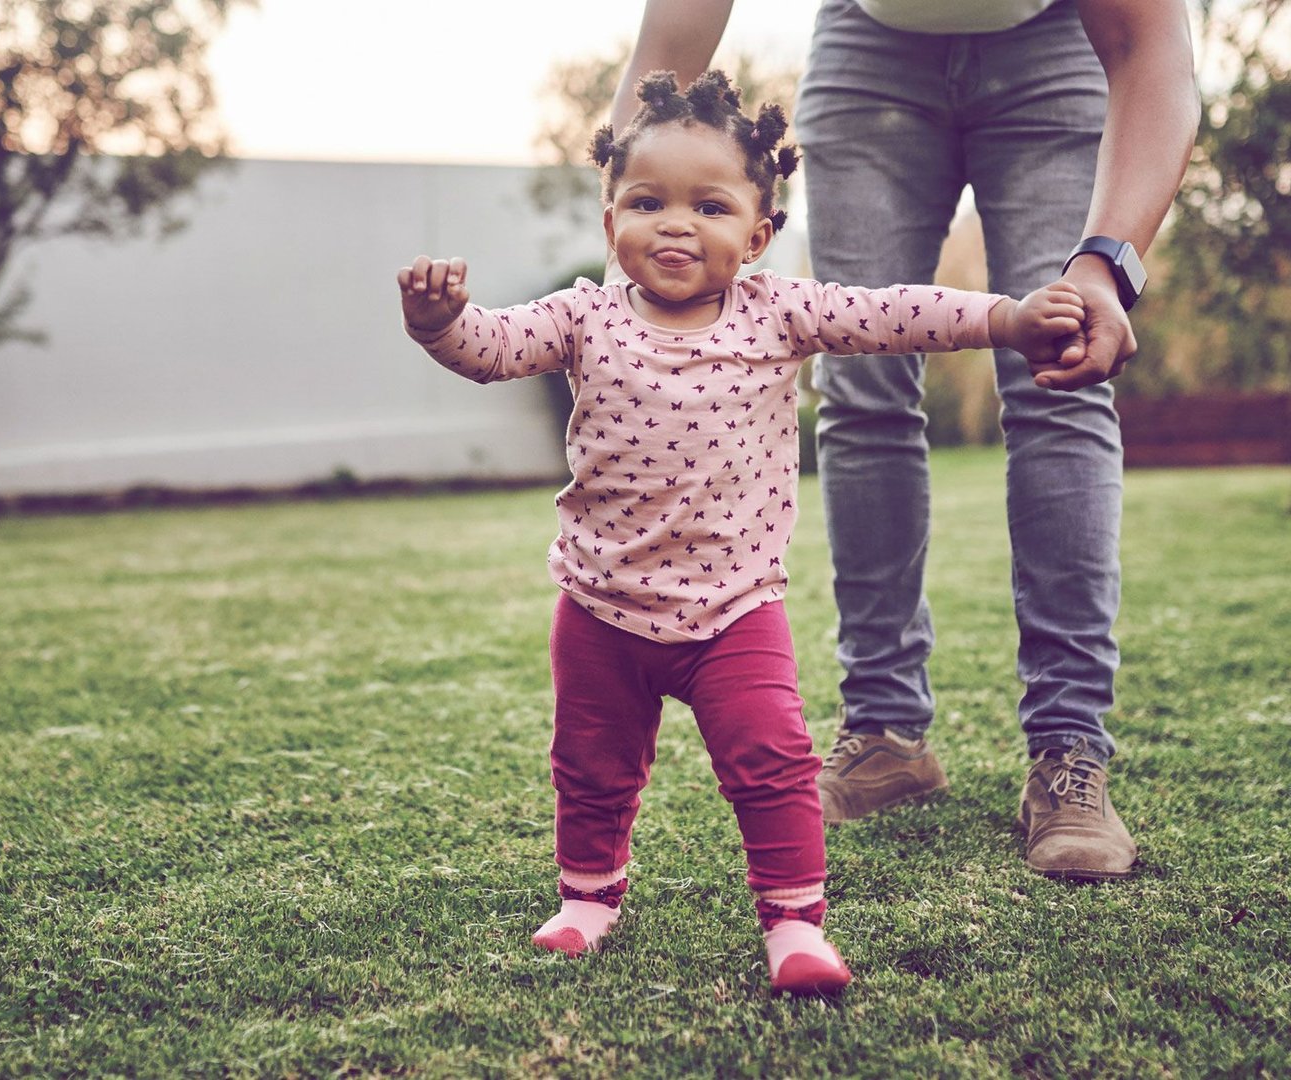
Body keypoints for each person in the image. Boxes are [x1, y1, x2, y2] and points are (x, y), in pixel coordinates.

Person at [399, 71, 1090, 993]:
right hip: (600, 608)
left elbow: (896, 311)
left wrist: (1006, 318)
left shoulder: (779, 312)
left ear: (758, 236)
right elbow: (493, 348)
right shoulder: (583, 316)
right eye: (647, 202)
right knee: (590, 767)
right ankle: (587, 897)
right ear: (611, 222)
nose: (675, 224)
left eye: (710, 206)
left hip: (734, 614)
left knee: (773, 765)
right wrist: (441, 324)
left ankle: (795, 925)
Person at [611, 0, 1199, 879]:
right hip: (869, 53)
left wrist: (1106, 265)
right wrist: (621, 252)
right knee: (862, 385)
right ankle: (885, 732)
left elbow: (1152, 49)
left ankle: (1070, 747)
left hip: (1055, 49)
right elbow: (668, 47)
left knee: (1063, 368)